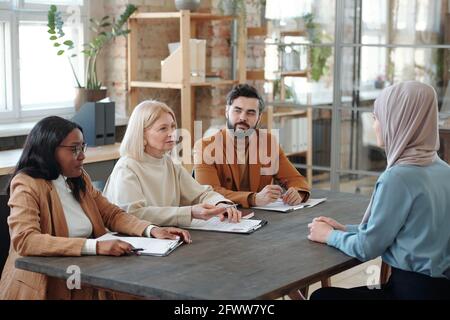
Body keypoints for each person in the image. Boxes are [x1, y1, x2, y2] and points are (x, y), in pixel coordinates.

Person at [0, 116, 191, 300]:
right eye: (74, 149)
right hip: (46, 285)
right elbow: (26, 240)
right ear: (49, 150)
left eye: (82, 147)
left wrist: (152, 229)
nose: (82, 156)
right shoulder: (27, 183)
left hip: (85, 274)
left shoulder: (79, 178)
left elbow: (112, 214)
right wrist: (96, 246)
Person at [308, 81, 450, 300]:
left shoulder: (398, 177)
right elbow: (403, 231)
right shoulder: (443, 169)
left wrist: (329, 236)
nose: (374, 125)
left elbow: (367, 248)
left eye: (377, 118)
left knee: (322, 297)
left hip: (410, 292)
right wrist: (346, 229)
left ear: (398, 121)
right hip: (440, 290)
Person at [103, 100, 241, 227]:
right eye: (163, 129)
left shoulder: (170, 163)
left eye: (173, 127)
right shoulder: (127, 167)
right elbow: (133, 214)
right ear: (142, 134)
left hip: (165, 237)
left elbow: (200, 194)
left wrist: (221, 204)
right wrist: (189, 212)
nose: (172, 133)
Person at [193, 84, 310, 208]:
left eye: (251, 113)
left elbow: (295, 178)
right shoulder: (205, 147)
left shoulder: (269, 143)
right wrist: (253, 198)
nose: (243, 117)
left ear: (259, 118)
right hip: (221, 218)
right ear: (227, 112)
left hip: (262, 218)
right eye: (237, 110)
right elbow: (209, 193)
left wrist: (298, 192)